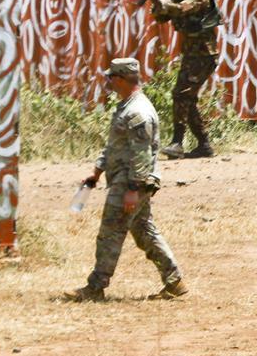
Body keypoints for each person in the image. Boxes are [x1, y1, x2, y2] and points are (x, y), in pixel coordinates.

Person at [63, 59, 185, 302]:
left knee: (110, 233)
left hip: (131, 182)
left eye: (111, 77)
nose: (108, 81)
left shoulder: (137, 112)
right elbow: (116, 146)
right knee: (144, 231)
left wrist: (132, 190)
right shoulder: (126, 107)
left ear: (121, 78)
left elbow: (140, 156)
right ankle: (174, 281)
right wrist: (97, 171)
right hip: (125, 179)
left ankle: (95, 287)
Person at [141, 0, 222, 160]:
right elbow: (161, 18)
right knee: (187, 98)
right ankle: (204, 145)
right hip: (191, 55)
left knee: (181, 94)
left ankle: (177, 142)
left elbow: (184, 8)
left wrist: (162, 1)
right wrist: (157, 3)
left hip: (204, 55)